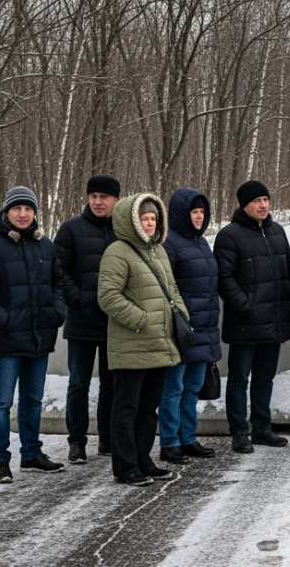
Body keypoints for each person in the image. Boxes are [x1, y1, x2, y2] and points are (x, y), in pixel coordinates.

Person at [0, 186, 67, 482]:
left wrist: (56, 312)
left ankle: (32, 454)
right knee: (1, 402)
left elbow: (58, 284)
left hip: (39, 337)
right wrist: (4, 320)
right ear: (6, 212)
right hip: (7, 339)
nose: (23, 214)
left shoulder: (45, 246)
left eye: (28, 209)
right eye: (17, 208)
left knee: (33, 400)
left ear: (35, 213)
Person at [97, 193, 184, 486]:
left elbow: (172, 290)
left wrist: (180, 315)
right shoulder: (117, 252)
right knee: (126, 408)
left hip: (159, 343)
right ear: (131, 221)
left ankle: (143, 460)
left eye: (153, 219)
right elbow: (108, 297)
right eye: (144, 218)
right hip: (131, 344)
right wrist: (142, 319)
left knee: (149, 407)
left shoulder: (158, 250)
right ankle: (125, 466)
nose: (149, 224)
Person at [214, 180, 290, 453]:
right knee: (239, 379)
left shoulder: (277, 231)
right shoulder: (229, 235)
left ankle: (262, 429)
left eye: (266, 200)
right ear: (244, 205)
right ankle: (239, 432)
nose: (263, 205)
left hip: (273, 319)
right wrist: (245, 306)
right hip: (245, 323)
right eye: (256, 201)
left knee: (265, 378)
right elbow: (224, 279)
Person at [54, 173, 120, 464]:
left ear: (115, 200)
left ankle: (107, 439)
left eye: (104, 197)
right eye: (93, 196)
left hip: (115, 322)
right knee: (78, 383)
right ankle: (76, 442)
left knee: (112, 384)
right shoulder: (70, 229)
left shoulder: (123, 230)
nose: (97, 201)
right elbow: (58, 271)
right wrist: (79, 299)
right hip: (81, 321)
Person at [159, 188, 221, 463]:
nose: (199, 217)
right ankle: (169, 441)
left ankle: (188, 438)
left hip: (203, 328)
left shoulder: (202, 243)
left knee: (193, 388)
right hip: (181, 330)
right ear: (180, 215)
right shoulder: (169, 244)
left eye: (202, 213)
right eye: (194, 212)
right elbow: (165, 288)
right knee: (173, 388)